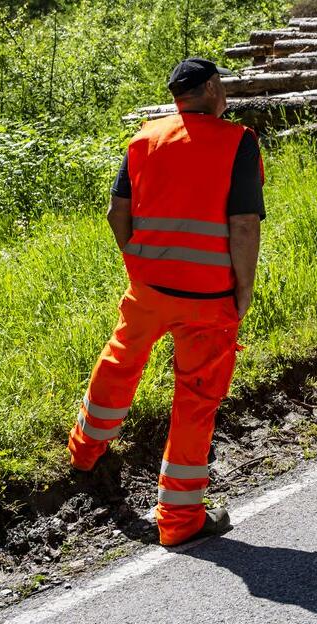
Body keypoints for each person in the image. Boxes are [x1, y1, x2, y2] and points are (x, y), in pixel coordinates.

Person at [68, 58, 264, 548]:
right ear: (214, 89)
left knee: (120, 360)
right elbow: (243, 224)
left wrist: (136, 261)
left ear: (178, 96)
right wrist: (244, 288)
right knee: (196, 400)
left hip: (150, 288)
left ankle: (85, 450)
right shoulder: (237, 140)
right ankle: (179, 520)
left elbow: (117, 212)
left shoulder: (144, 138)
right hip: (209, 297)